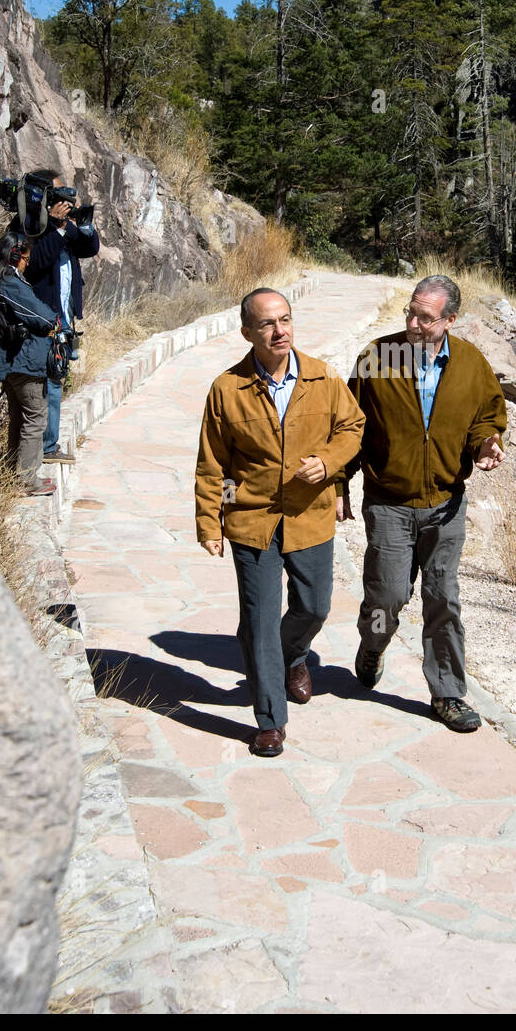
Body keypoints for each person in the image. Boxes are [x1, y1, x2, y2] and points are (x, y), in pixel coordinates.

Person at [195, 287, 365, 757]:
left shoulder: (323, 379)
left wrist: (328, 463)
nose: (279, 331)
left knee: (314, 607)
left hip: (309, 515)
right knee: (261, 620)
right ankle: (270, 719)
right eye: (268, 324)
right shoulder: (226, 390)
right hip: (252, 521)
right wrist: (214, 521)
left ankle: (294, 656)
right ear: (247, 331)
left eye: (285, 320)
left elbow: (353, 428)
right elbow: (215, 465)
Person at [340, 275, 506, 732]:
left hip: (445, 505)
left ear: (451, 320)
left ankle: (448, 693)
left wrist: (486, 444)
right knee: (387, 595)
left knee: (443, 600)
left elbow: (485, 416)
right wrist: (339, 482)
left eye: (425, 317)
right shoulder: (379, 357)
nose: (413, 323)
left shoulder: (472, 364)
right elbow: (351, 424)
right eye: (410, 313)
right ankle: (373, 645)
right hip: (389, 501)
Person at [14, 169, 99, 465]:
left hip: (62, 318)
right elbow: (35, 264)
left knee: (56, 379)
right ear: (42, 195)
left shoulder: (60, 226)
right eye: (57, 194)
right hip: (41, 321)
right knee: (45, 383)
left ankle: (46, 446)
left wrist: (78, 224)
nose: (63, 200)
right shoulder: (29, 225)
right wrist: (56, 226)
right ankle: (46, 449)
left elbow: (90, 247)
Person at [0, 232, 60, 496]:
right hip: (24, 362)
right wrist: (53, 321)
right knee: (35, 417)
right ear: (14, 255)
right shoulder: (8, 281)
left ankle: (14, 475)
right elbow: (41, 316)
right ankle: (26, 480)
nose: (27, 263)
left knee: (20, 417)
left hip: (12, 362)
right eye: (26, 258)